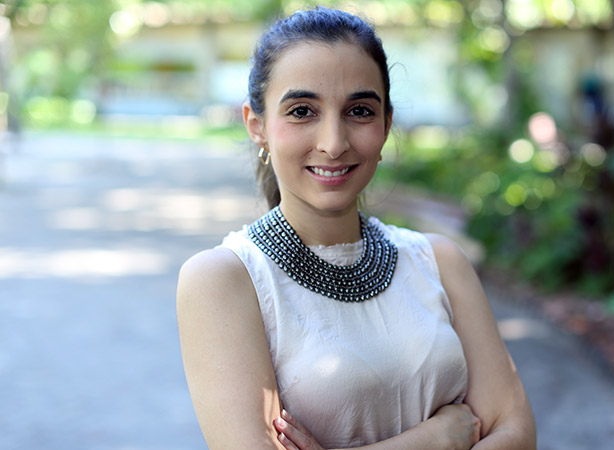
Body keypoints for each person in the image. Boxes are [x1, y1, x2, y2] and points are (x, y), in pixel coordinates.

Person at [176, 6, 536, 449]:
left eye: (360, 111)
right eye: (302, 110)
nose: (333, 142)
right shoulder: (225, 280)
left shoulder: (438, 262)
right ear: (257, 125)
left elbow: (516, 435)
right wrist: (434, 439)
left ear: (386, 125)